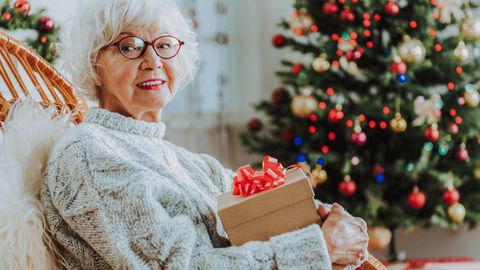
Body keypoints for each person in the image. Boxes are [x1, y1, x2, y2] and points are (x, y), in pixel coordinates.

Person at [40, 0, 369, 269]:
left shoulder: (190, 163)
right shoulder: (88, 154)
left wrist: (328, 221)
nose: (153, 61)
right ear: (93, 64)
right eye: (130, 47)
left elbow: (264, 207)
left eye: (164, 45)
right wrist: (320, 248)